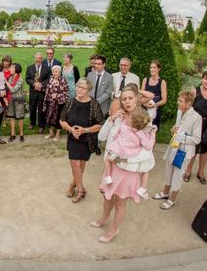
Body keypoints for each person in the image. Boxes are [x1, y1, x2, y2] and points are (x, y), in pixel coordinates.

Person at [92, 87, 154, 243]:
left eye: (130, 98)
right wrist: (111, 119)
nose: (127, 101)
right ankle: (104, 218)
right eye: (124, 99)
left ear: (136, 99)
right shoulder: (118, 116)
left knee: (120, 201)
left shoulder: (142, 119)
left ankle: (113, 230)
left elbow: (147, 149)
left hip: (127, 169)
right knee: (107, 196)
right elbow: (102, 136)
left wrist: (124, 160)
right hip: (111, 165)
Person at [153, 91, 202, 210]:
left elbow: (197, 139)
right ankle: (165, 192)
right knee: (169, 168)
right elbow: (177, 128)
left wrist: (181, 136)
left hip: (183, 152)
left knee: (177, 175)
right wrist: (174, 130)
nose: (177, 103)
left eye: (180, 101)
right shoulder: (180, 112)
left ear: (189, 103)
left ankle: (172, 198)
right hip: (174, 146)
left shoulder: (196, 117)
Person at [59, 79, 104, 203]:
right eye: (78, 86)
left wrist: (85, 130)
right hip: (73, 138)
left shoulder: (94, 104)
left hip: (87, 139)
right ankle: (81, 190)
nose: (79, 89)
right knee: (75, 163)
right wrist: (70, 129)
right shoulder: (70, 102)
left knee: (81, 166)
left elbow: (100, 124)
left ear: (88, 90)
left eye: (83, 88)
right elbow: (62, 120)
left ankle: (72, 185)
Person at [102, 106, 154, 190]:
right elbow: (148, 146)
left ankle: (108, 177)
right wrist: (152, 136)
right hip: (129, 154)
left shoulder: (124, 126)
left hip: (118, 151)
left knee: (107, 160)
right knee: (145, 170)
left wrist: (115, 139)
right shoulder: (140, 132)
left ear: (132, 120)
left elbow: (116, 135)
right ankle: (143, 188)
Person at [43, 65, 69, 141]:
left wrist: (57, 95)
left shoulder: (63, 81)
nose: (54, 73)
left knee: (58, 118)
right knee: (48, 117)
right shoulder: (50, 79)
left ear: (60, 72)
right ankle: (51, 132)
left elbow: (66, 93)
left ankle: (58, 134)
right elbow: (47, 90)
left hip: (59, 103)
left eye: (56, 72)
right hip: (49, 102)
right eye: (53, 71)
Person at [25, 52, 50, 132]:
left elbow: (49, 79)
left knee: (41, 109)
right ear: (34, 59)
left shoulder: (47, 68)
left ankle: (41, 125)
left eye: (40, 58)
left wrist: (41, 85)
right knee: (32, 108)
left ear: (42, 59)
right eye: (37, 58)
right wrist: (34, 84)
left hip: (42, 92)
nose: (38, 60)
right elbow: (27, 78)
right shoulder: (29, 68)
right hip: (33, 91)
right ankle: (32, 123)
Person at [141, 60, 167, 129]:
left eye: (154, 67)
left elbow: (164, 100)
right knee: (142, 130)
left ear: (159, 69)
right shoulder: (145, 80)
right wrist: (145, 105)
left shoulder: (162, 82)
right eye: (151, 67)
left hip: (155, 110)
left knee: (152, 131)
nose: (152, 69)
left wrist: (154, 105)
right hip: (144, 109)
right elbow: (140, 96)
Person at [5, 63, 25, 142]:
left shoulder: (20, 79)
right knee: (11, 117)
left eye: (12, 68)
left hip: (19, 101)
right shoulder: (10, 77)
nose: (10, 69)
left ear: (16, 69)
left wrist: (6, 82)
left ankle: (21, 135)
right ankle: (12, 134)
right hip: (11, 100)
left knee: (20, 118)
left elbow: (13, 90)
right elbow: (7, 88)